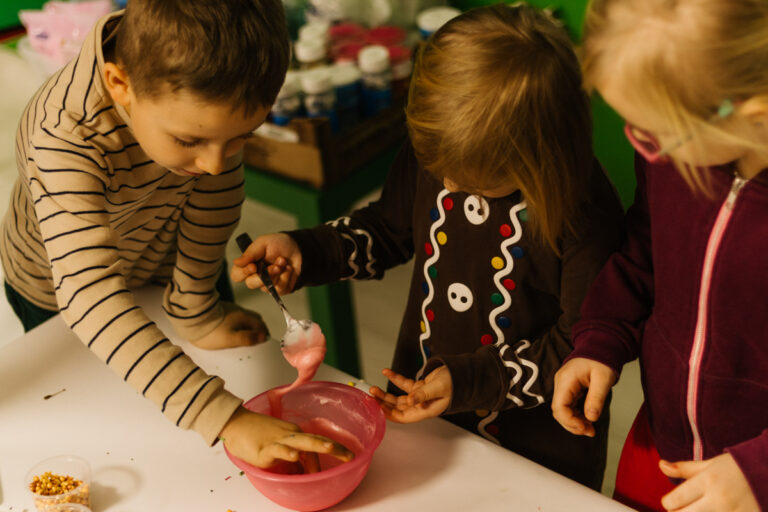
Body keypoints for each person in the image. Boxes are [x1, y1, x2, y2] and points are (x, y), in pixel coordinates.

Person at [232, 3, 623, 490]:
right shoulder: (444, 153)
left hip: (538, 449)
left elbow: (581, 346)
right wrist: (306, 251)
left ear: (539, 159)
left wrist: (467, 382)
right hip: (425, 415)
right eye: (439, 170)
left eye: (472, 182)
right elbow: (389, 229)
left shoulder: (585, 212)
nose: (448, 185)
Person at [2, 0, 352, 470]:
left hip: (159, 255)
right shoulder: (61, 134)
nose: (215, 164)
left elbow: (214, 198)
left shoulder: (207, 102)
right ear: (119, 84)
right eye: (189, 141)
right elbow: (89, 297)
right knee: (97, 417)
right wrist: (227, 419)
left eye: (240, 137)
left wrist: (195, 309)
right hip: (56, 289)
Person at [551, 0, 768, 510]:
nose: (647, 147)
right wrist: (602, 337)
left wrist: (758, 472)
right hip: (663, 442)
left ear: (750, 112)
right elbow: (645, 246)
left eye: (656, 132)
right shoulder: (678, 156)